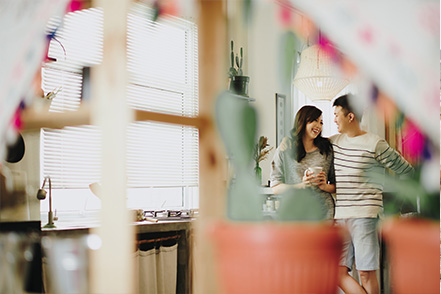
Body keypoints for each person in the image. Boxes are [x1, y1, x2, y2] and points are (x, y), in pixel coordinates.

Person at [331, 94, 413, 294]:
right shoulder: (333, 142)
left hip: (365, 216)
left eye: (336, 114)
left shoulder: (374, 143)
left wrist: (393, 197)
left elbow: (406, 170)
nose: (334, 119)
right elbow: (306, 144)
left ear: (350, 116)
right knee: (337, 272)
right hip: (340, 216)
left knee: (366, 273)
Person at [270, 105, 336, 220]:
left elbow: (336, 186)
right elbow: (275, 187)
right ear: (302, 121)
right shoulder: (285, 149)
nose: (318, 126)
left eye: (321, 122)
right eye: (314, 120)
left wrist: (325, 186)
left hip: (324, 213)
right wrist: (302, 186)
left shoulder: (327, 149)